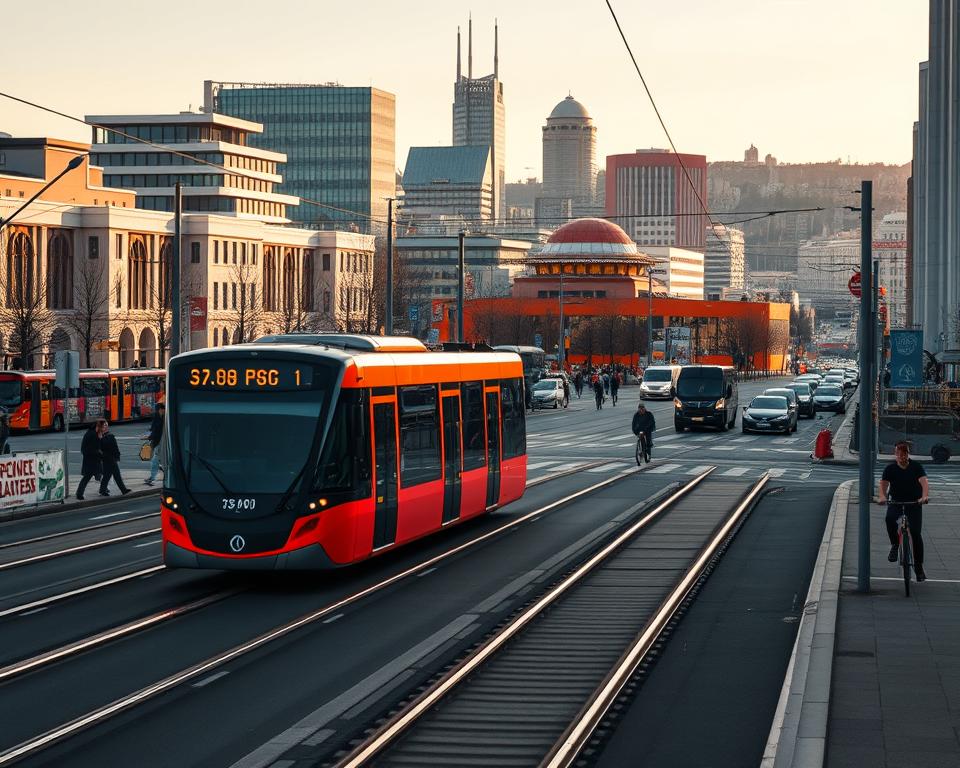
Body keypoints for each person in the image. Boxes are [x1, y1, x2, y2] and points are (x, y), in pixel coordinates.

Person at [878, 440, 930, 582]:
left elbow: (924, 482)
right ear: (895, 454)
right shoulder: (890, 468)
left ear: (908, 453)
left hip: (914, 503)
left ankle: (918, 567)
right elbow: (883, 484)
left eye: (905, 453)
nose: (902, 456)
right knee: (889, 519)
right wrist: (882, 496)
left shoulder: (916, 467)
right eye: (899, 454)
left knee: (916, 534)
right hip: (896, 502)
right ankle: (895, 544)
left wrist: (924, 496)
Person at [99, 422, 131, 497]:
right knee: (116, 475)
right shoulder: (103, 437)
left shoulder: (109, 435)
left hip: (111, 458)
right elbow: (102, 447)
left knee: (108, 475)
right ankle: (123, 490)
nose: (106, 427)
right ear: (101, 427)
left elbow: (115, 447)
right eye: (104, 426)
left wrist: (117, 456)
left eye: (107, 425)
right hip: (108, 458)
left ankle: (103, 490)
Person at [76, 420, 106, 501]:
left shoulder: (92, 433)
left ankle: (103, 489)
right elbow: (94, 448)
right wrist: (101, 454)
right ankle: (79, 494)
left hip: (92, 460)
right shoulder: (93, 435)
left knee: (97, 475)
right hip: (92, 461)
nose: (104, 429)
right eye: (103, 427)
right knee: (88, 477)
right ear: (99, 427)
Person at [142, 402, 165, 486]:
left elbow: (156, 430)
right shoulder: (158, 416)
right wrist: (148, 435)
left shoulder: (164, 417)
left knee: (155, 459)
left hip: (161, 442)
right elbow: (153, 429)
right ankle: (158, 472)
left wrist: (148, 437)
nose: (162, 411)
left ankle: (152, 478)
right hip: (159, 441)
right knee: (156, 459)